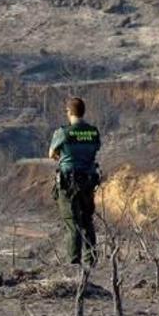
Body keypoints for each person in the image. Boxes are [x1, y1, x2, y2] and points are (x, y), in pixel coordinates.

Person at [49, 97, 102, 265]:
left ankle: (73, 263)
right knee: (87, 221)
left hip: (68, 182)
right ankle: (91, 261)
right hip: (88, 181)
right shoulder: (93, 132)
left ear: (69, 112)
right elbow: (94, 150)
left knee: (72, 223)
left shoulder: (63, 132)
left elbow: (52, 154)